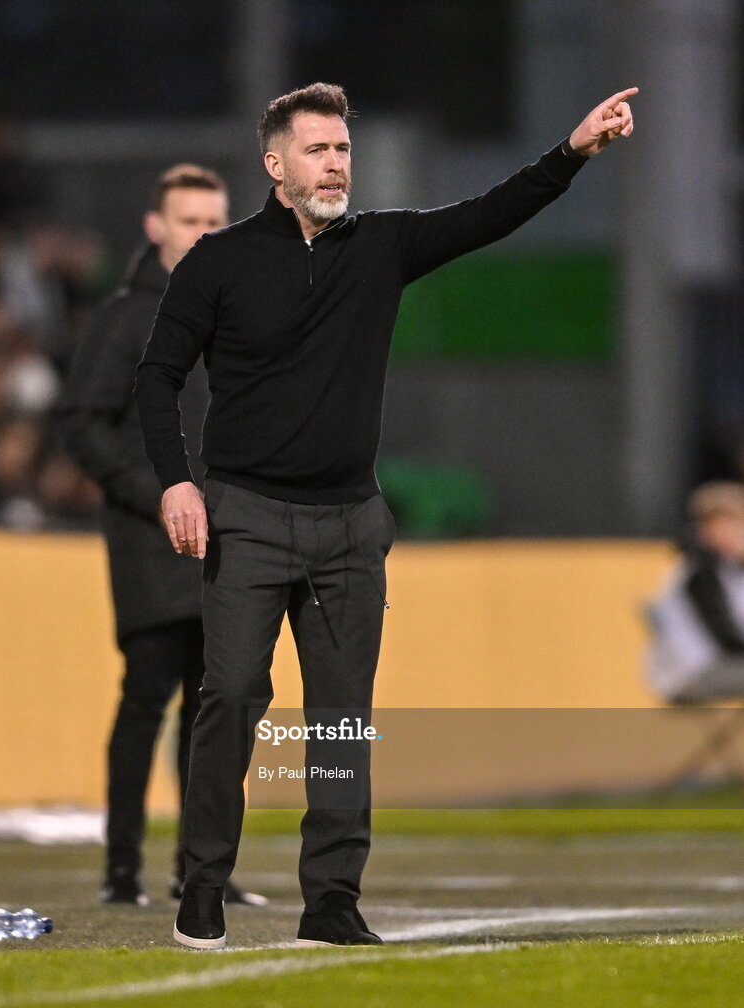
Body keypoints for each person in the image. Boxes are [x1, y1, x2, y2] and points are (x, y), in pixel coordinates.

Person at [135, 82, 636, 949]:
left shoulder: (382, 244)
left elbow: (490, 213)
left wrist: (572, 152)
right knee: (231, 701)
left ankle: (331, 899)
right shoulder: (217, 261)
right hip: (246, 517)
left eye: (343, 150)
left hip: (348, 527)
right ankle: (203, 884)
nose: (336, 164)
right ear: (275, 164)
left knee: (339, 720)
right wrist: (177, 483)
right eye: (319, 150)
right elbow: (156, 377)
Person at [59, 165, 265, 907]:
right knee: (147, 695)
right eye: (189, 222)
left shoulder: (228, 311)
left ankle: (198, 868)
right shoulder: (127, 317)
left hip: (223, 540)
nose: (204, 235)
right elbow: (81, 425)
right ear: (154, 228)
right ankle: (121, 870)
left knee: (215, 702)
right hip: (152, 543)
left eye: (215, 222)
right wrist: (159, 497)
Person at [647, 481, 744, 704]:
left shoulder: (728, 569)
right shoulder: (702, 573)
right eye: (725, 526)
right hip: (693, 672)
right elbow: (728, 639)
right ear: (704, 530)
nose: (735, 534)